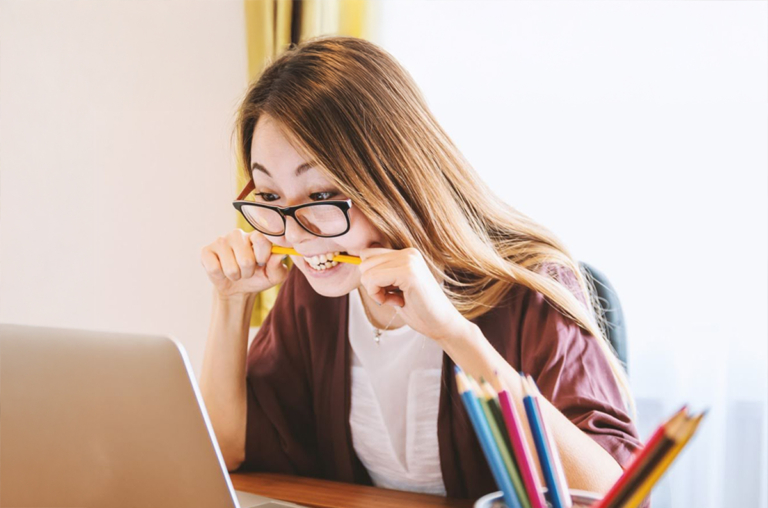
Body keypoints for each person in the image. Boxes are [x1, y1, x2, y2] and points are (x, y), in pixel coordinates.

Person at [199, 36, 644, 501]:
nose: (294, 235)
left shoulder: (528, 290)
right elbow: (226, 452)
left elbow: (613, 497)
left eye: (323, 196)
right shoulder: (316, 292)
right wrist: (230, 304)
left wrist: (455, 334)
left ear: (392, 178)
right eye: (270, 197)